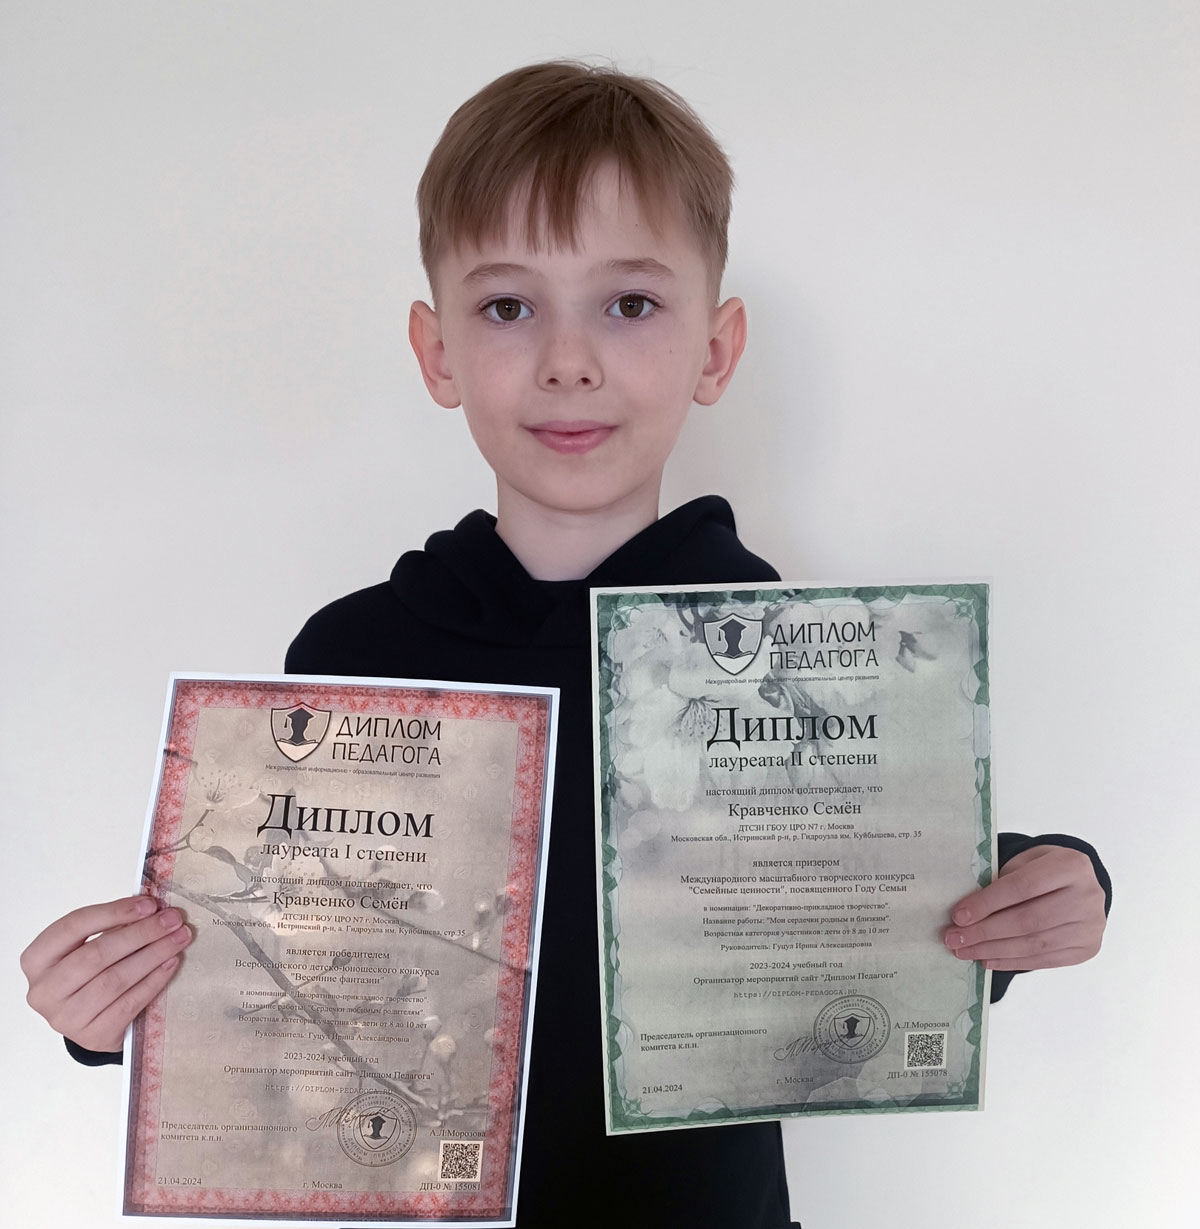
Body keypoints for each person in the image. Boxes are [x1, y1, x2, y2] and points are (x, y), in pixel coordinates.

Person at [21, 60, 1110, 1228]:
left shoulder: (789, 642)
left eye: (629, 304)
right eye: (508, 307)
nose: (568, 359)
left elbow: (868, 895)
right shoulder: (353, 650)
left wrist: (1049, 880)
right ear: (438, 352)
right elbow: (292, 975)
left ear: (716, 350)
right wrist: (118, 1009)